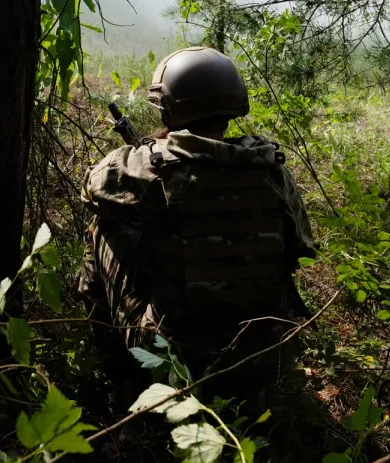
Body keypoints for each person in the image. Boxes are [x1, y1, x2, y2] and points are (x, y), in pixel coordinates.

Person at [78, 46, 316, 405]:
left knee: (101, 226)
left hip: (176, 364)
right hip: (263, 359)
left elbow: (91, 186)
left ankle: (120, 376)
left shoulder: (154, 169)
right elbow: (301, 250)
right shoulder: (270, 168)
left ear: (168, 106)